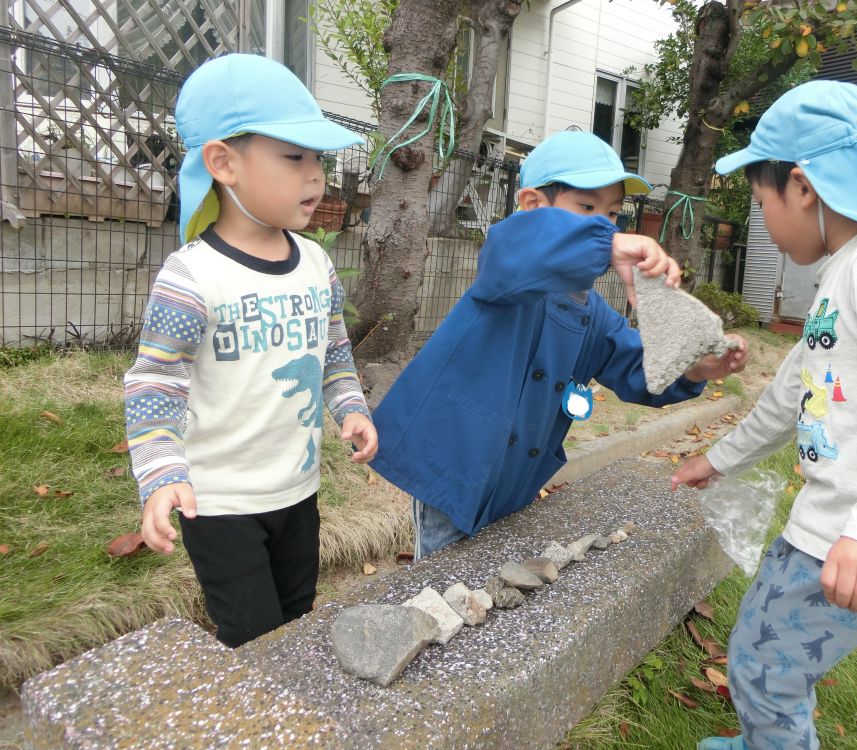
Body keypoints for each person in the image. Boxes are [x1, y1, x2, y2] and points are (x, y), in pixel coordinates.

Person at [671, 81, 857, 750]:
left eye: (760, 202)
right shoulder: (845, 273)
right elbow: (788, 397)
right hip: (830, 525)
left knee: (765, 668)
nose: (764, 222)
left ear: (802, 186)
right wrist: (716, 460)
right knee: (759, 646)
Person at [370, 130, 747, 559]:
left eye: (611, 215)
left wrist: (696, 368)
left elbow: (637, 368)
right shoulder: (508, 271)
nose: (604, 225)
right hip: (453, 469)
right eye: (586, 208)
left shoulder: (592, 311)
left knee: (494, 578)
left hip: (517, 478)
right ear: (533, 206)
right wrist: (608, 243)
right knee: (443, 587)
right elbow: (518, 248)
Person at [124, 54, 377, 648]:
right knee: (255, 637)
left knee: (297, 617)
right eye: (295, 157)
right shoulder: (192, 278)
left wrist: (352, 409)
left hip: (298, 490)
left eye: (319, 159)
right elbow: (155, 383)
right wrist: (161, 475)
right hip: (219, 505)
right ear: (223, 163)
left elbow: (333, 353)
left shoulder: (315, 263)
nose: (316, 177)